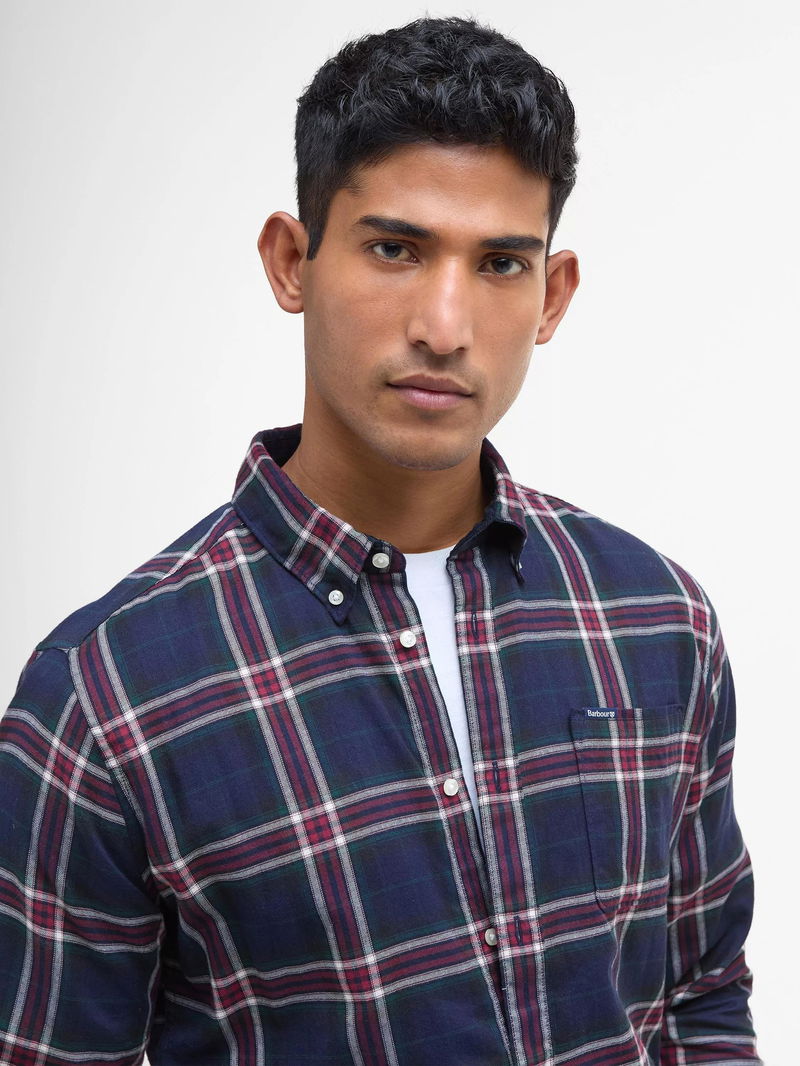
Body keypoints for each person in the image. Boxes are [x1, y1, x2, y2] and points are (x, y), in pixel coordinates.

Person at [0, 16, 759, 1066]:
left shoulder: (655, 619)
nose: (444, 326)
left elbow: (701, 999)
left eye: (500, 262)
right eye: (395, 249)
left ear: (552, 296)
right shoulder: (104, 696)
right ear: (291, 261)